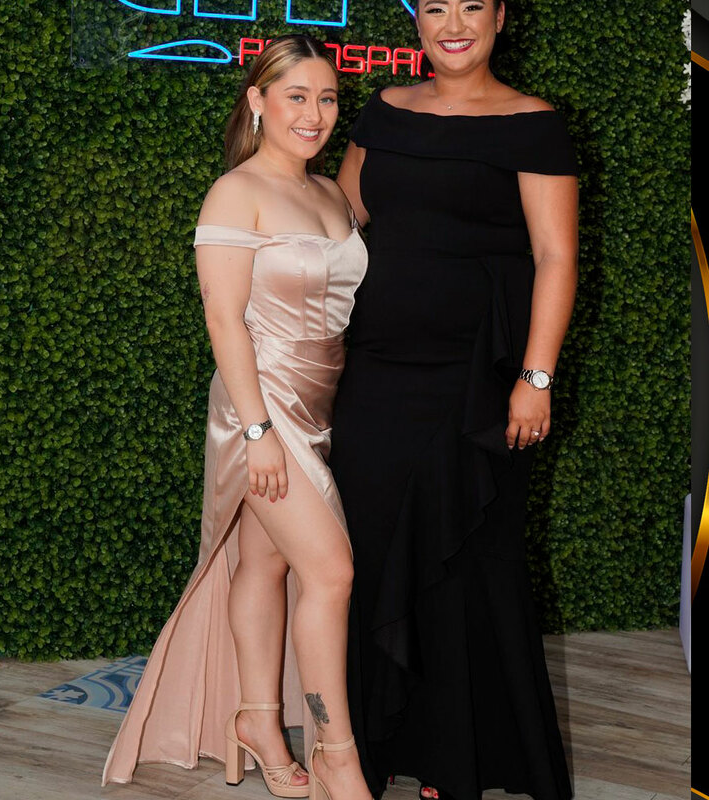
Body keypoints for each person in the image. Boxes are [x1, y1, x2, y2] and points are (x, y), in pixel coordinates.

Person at [102, 34, 372, 800]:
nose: (314, 114)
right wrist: (256, 432)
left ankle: (257, 721)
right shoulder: (235, 192)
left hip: (321, 407)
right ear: (257, 100)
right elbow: (223, 320)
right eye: (296, 96)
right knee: (333, 570)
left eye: (327, 98)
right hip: (262, 409)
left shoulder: (330, 194)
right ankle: (336, 752)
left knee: (266, 563)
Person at [331, 2, 579, 799]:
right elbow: (341, 218)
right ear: (418, 20)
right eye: (435, 5)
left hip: (479, 381)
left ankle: (457, 761)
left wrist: (535, 379)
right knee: (373, 552)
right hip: (375, 373)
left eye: (472, 4)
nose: (453, 22)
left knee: (469, 562)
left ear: (500, 17)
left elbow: (555, 255)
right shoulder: (384, 110)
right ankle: (370, 750)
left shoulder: (532, 122)